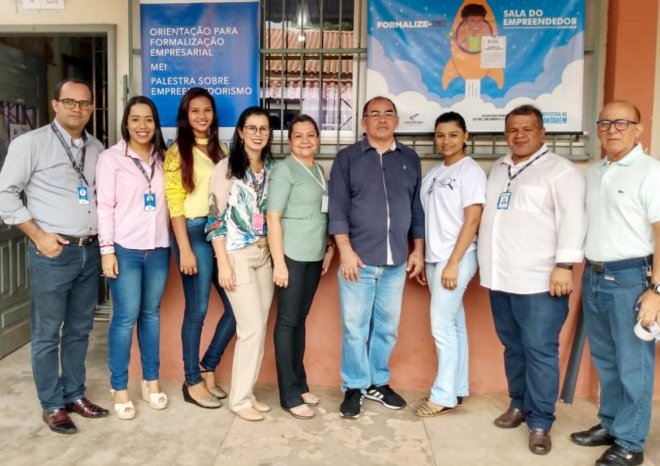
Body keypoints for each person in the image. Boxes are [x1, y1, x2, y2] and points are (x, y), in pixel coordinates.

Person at [0, 78, 109, 434]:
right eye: (70, 102)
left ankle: (74, 394)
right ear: (55, 104)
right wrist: (38, 235)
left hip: (88, 251)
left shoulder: (96, 148)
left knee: (79, 329)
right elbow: (6, 194)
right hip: (53, 252)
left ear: (92, 107)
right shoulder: (30, 144)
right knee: (47, 332)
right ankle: (51, 404)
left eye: (85, 103)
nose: (78, 109)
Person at [477, 104, 586, 455]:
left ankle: (541, 421)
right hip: (502, 278)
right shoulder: (499, 168)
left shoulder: (560, 171)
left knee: (540, 352)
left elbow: (573, 220)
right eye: (512, 129)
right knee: (514, 348)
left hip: (542, 281)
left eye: (527, 129)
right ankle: (519, 404)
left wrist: (565, 265)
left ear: (542, 133)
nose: (519, 135)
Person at [570, 101, 660, 466]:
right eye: (605, 122)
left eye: (622, 122)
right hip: (595, 275)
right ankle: (610, 424)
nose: (612, 129)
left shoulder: (650, 172)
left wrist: (656, 290)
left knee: (632, 363)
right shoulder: (596, 171)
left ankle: (630, 443)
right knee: (606, 360)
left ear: (638, 129)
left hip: (631, 280)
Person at [328, 96, 425, 420]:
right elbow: (338, 209)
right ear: (363, 122)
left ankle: (378, 382)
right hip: (359, 261)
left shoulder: (409, 159)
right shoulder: (348, 158)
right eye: (374, 114)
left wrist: (419, 251)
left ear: (397, 121)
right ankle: (354, 385)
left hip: (396, 262)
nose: (382, 120)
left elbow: (416, 210)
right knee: (355, 328)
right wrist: (346, 251)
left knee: (387, 329)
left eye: (388, 114)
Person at [96, 96, 170, 419]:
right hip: (125, 249)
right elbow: (104, 208)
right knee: (125, 317)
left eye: (149, 120)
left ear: (156, 124)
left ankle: (151, 381)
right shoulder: (111, 159)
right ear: (126, 122)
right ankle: (119, 386)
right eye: (136, 119)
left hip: (158, 249)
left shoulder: (164, 159)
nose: (142, 126)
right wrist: (107, 250)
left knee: (151, 315)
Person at [164, 87, 235, 409]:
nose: (201, 116)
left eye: (206, 110)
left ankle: (208, 365)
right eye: (195, 111)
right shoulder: (177, 152)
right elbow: (174, 204)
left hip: (218, 233)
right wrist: (185, 248)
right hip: (193, 233)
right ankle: (191, 381)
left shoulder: (220, 149)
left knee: (237, 308)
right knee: (198, 310)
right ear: (185, 115)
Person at [206, 106, 275, 422]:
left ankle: (246, 392)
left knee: (259, 328)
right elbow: (215, 218)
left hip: (264, 255)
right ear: (241, 132)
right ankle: (239, 399)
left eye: (264, 128)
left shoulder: (272, 168)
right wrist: (223, 264)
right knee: (250, 327)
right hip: (236, 254)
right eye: (252, 128)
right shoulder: (226, 168)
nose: (258, 134)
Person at [416, 112, 486, 417]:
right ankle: (457, 388)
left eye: (453, 135)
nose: (446, 141)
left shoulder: (470, 172)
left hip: (456, 257)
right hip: (436, 258)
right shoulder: (434, 172)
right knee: (454, 324)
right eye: (441, 135)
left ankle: (442, 394)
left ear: (465, 136)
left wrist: (453, 262)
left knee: (441, 326)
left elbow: (473, 220)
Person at [267, 114, 335, 419]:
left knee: (300, 320)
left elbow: (324, 213)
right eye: (298, 136)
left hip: (314, 255)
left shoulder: (319, 169)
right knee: (287, 321)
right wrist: (279, 262)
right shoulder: (284, 170)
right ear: (289, 140)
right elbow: (273, 218)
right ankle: (289, 394)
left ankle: (300, 381)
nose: (305, 141)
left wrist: (329, 248)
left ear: (317, 138)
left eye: (311, 135)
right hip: (292, 254)